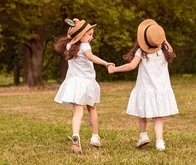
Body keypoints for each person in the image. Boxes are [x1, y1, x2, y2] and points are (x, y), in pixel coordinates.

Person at [108, 19, 178, 151]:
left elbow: (131, 66)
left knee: (142, 112)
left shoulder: (142, 52)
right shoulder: (165, 50)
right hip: (160, 89)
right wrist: (162, 38)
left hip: (146, 88)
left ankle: (143, 135)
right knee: (158, 117)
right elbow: (169, 46)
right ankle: (160, 142)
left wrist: (115, 69)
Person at [54, 18, 114, 155]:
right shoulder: (85, 46)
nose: (91, 37)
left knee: (77, 113)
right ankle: (95, 137)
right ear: (81, 35)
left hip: (75, 84)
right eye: (90, 34)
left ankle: (76, 134)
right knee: (92, 109)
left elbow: (71, 34)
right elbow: (91, 57)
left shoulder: (69, 45)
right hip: (87, 83)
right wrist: (106, 63)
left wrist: (77, 24)